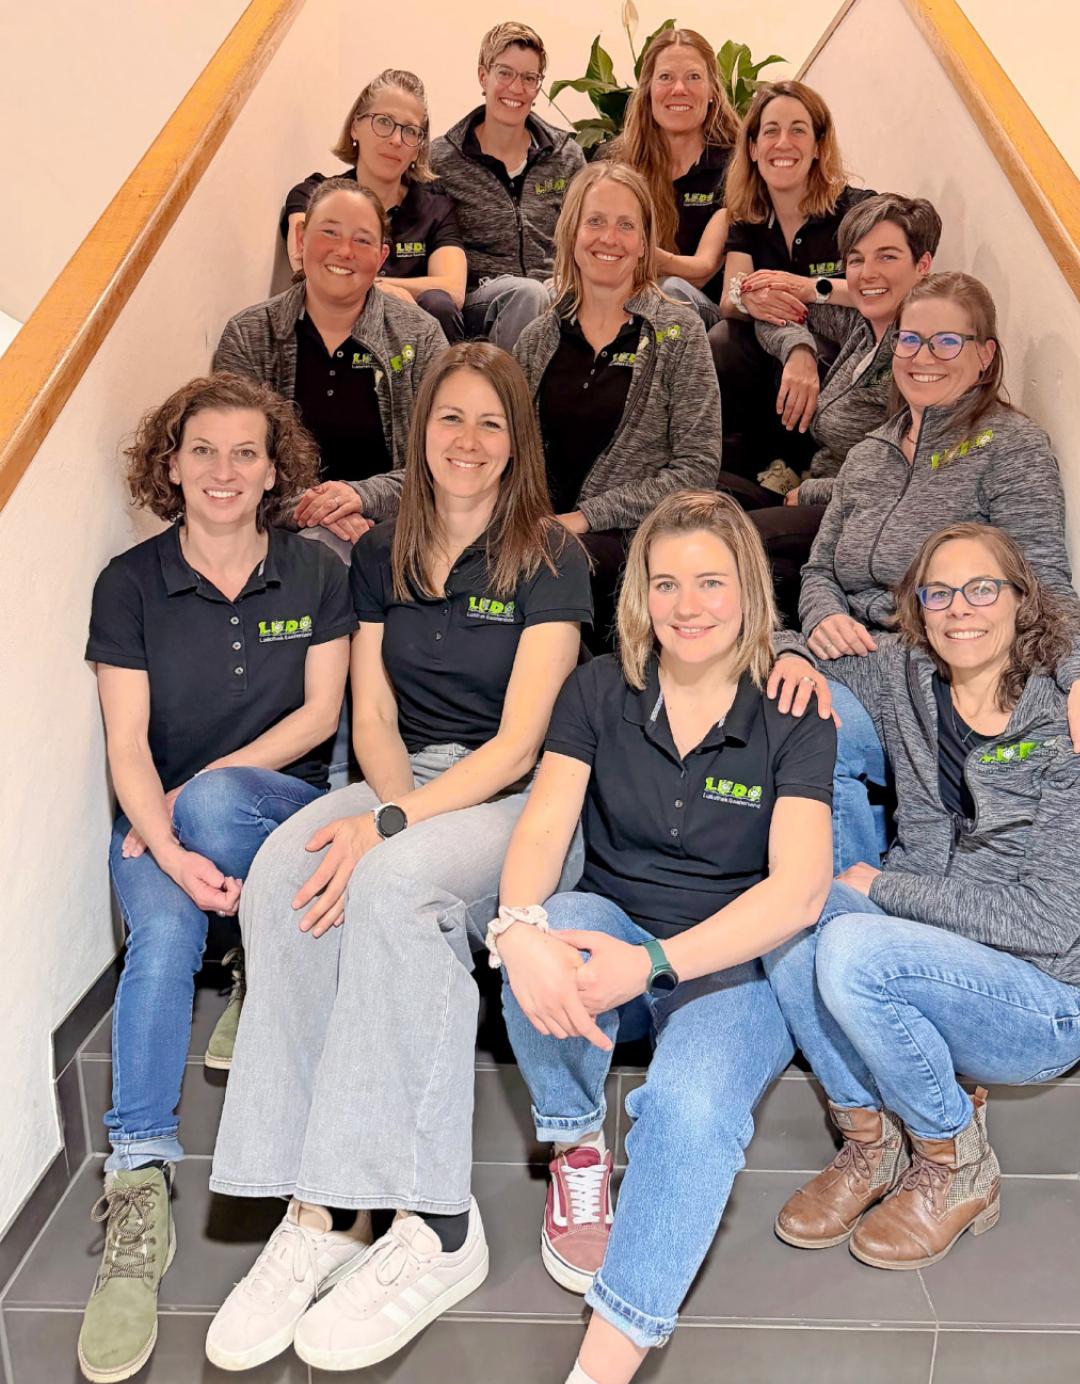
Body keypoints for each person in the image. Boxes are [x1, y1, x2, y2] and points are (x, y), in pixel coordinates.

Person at [204, 342, 593, 1374]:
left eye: (491, 422)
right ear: (419, 433)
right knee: (285, 870)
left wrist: (393, 828)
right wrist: (389, 806)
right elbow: (373, 713)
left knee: (394, 883)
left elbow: (521, 745)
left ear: (518, 442)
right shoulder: (380, 551)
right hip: (406, 778)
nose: (468, 440)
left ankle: (440, 1224)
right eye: (449, 418)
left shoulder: (552, 558)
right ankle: (322, 1210)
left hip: (522, 802)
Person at [496, 490, 836, 1384]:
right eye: (667, 583)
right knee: (545, 931)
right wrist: (515, 925)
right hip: (612, 931)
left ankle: (601, 1366)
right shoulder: (599, 688)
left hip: (732, 964)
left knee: (690, 1109)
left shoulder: (793, 709)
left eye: (712, 582)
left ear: (749, 589)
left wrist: (655, 962)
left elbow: (800, 891)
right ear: (640, 595)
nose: (689, 606)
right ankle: (576, 1143)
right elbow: (543, 826)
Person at [77, 373, 356, 1384]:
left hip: (276, 813)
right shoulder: (130, 583)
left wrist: (195, 800)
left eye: (246, 452)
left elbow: (321, 716)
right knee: (159, 941)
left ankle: (254, 950)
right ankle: (138, 1179)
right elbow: (124, 744)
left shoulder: (316, 571)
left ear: (276, 469)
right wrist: (168, 844)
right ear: (173, 462)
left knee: (221, 803)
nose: (224, 470)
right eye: (203, 450)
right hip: (160, 822)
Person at [765, 524, 1080, 1272]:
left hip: (1040, 1000)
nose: (959, 609)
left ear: (1021, 600)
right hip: (928, 957)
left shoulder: (1063, 723)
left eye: (982, 589)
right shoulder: (905, 675)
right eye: (939, 593)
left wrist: (884, 886)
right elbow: (780, 642)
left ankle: (953, 1157)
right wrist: (792, 654)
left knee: (853, 946)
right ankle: (871, 1141)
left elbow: (1051, 920)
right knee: (790, 912)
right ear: (918, 606)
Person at [792, 271, 1080, 870]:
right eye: (909, 339)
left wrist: (1076, 674)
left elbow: (1047, 585)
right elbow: (819, 568)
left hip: (927, 675)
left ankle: (847, 901)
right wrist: (822, 616)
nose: (923, 357)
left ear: (985, 356)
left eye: (947, 341)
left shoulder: (1011, 447)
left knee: (813, 734)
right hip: (843, 654)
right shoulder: (869, 452)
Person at [514, 161, 721, 648]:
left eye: (627, 225)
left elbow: (698, 468)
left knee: (560, 569)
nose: (610, 238)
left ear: (645, 242)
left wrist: (585, 518)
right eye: (596, 221)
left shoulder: (678, 332)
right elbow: (509, 456)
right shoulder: (537, 339)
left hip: (635, 541)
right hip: (541, 536)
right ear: (572, 232)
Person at [214, 179, 446, 547]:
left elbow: (442, 462)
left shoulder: (419, 335)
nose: (344, 251)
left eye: (362, 240)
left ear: (381, 257)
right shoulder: (250, 334)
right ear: (301, 238)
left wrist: (361, 497)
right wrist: (317, 510)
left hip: (395, 534)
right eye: (330, 232)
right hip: (281, 539)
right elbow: (231, 463)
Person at [748, 193, 941, 619]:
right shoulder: (863, 324)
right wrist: (800, 350)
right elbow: (769, 313)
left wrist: (812, 492)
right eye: (856, 260)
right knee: (705, 495)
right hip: (813, 486)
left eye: (887, 257)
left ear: (923, 265)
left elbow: (911, 480)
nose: (868, 273)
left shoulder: (923, 358)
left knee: (733, 540)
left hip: (858, 512)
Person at [709, 80, 873, 484]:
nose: (783, 143)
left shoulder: (856, 209)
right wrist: (750, 299)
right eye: (771, 131)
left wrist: (807, 288)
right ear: (753, 148)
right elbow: (730, 298)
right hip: (777, 360)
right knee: (725, 340)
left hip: (841, 370)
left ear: (818, 146)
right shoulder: (749, 216)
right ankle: (750, 470)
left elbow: (888, 290)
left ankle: (811, 473)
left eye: (798, 130)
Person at [429, 21, 585, 349]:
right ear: (483, 76)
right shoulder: (442, 159)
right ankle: (508, 384)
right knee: (528, 294)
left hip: (555, 292)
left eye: (529, 78)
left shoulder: (566, 156)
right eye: (505, 73)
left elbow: (584, 232)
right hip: (480, 302)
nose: (516, 88)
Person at [280, 69, 467, 342]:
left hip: (411, 342)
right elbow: (305, 266)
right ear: (355, 126)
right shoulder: (314, 195)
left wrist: (382, 286)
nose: (395, 140)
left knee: (437, 303)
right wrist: (375, 288)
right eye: (383, 122)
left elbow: (453, 289)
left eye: (410, 131)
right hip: (335, 329)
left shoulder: (435, 208)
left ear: (418, 148)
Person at [606, 27, 738, 326]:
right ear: (648, 90)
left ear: (712, 91)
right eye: (666, 77)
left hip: (702, 316)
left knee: (670, 290)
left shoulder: (735, 166)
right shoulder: (616, 164)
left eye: (693, 77)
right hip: (625, 304)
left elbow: (702, 272)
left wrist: (639, 254)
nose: (679, 89)